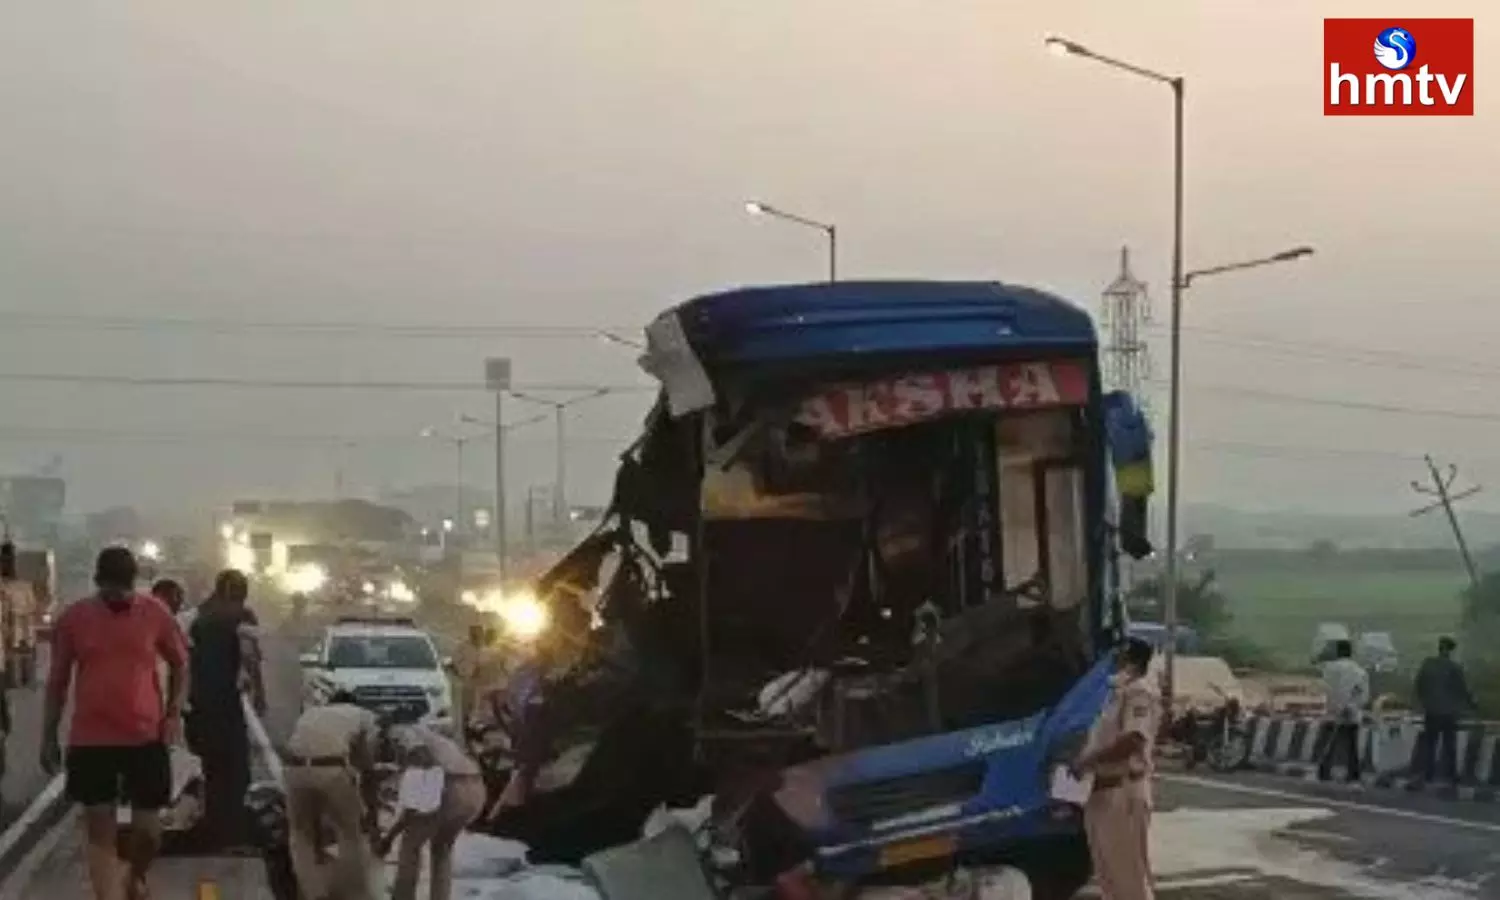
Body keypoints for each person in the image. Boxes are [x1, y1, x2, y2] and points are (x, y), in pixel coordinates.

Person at [42, 546, 189, 900]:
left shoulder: (155, 613)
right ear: (97, 582)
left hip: (145, 735)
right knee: (99, 827)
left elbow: (181, 665)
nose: (117, 596)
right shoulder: (75, 619)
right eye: (110, 589)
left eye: (123, 589)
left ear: (133, 583)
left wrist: (173, 713)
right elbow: (58, 681)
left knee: (149, 831)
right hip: (92, 739)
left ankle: (135, 875)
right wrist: (48, 735)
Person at [1071, 636, 1159, 900]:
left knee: (1129, 881)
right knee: (1110, 881)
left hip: (1123, 793)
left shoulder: (1139, 692)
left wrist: (1087, 761)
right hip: (1100, 794)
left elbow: (1133, 740)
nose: (1112, 663)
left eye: (1118, 657)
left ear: (1131, 661)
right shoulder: (1113, 695)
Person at [186, 569, 265, 849]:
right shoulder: (240, 618)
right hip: (220, 705)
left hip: (200, 704)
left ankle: (216, 827)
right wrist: (260, 693)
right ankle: (229, 830)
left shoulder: (198, 617)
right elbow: (250, 658)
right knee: (233, 768)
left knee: (213, 767)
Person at [285, 691, 384, 900]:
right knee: (349, 833)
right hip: (331, 768)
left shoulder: (311, 713)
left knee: (301, 835)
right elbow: (367, 769)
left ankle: (313, 893)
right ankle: (354, 893)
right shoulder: (363, 715)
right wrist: (372, 816)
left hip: (293, 769)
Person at [379, 723, 487, 900]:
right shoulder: (436, 740)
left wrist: (389, 838)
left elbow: (414, 808)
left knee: (410, 846)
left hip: (451, 785)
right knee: (442, 848)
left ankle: (402, 897)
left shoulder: (400, 731)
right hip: (475, 787)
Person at [1414, 636, 1476, 785]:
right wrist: (1472, 704)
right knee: (1449, 745)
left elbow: (1419, 684)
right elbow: (1463, 690)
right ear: (1451, 651)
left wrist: (1424, 702)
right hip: (1449, 712)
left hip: (1432, 711)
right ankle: (1451, 775)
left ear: (1439, 648)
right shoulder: (1454, 667)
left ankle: (1428, 774)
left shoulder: (1427, 664)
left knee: (1431, 743)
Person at [1318, 639, 1368, 784]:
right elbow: (1363, 694)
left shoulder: (1329, 669)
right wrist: (1352, 705)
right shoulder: (1359, 670)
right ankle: (1353, 774)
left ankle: (1324, 771)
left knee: (1329, 743)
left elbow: (1326, 689)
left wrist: (1335, 706)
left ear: (1337, 652)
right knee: (1351, 746)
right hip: (1352, 712)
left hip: (1332, 712)